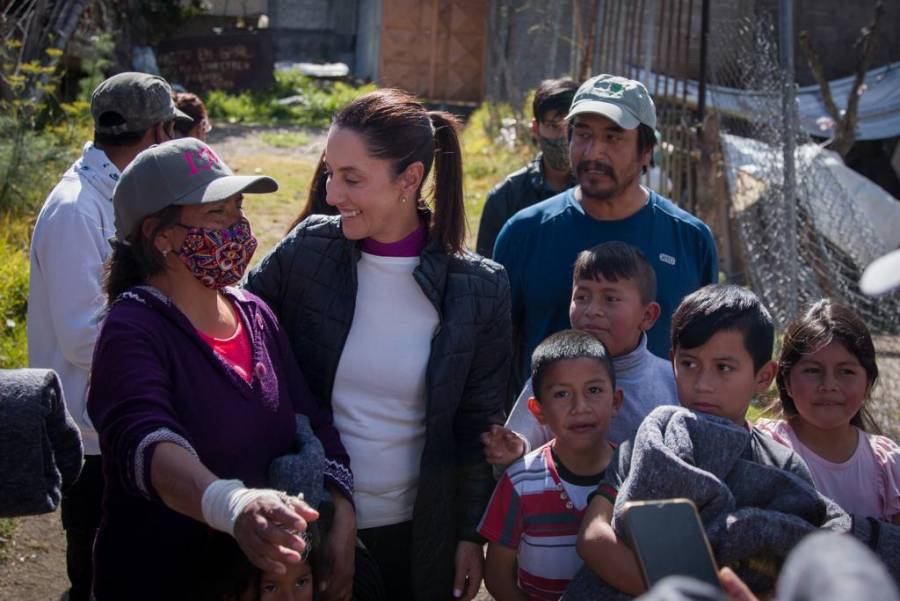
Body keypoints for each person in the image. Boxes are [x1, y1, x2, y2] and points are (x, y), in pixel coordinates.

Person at [245, 88, 510, 601]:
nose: (331, 192)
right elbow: (238, 334)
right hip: (307, 524)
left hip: (417, 535)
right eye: (329, 172)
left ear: (409, 179)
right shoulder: (308, 251)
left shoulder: (479, 287)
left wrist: (467, 536)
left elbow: (477, 422)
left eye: (351, 178)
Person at [86, 137, 353, 600]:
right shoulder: (134, 329)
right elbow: (146, 444)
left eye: (238, 208)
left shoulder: (254, 313)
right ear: (161, 234)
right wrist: (233, 506)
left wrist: (343, 520)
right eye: (218, 214)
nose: (239, 227)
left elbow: (312, 421)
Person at [26, 71, 192, 601]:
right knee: (97, 581)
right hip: (92, 435)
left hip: (119, 421)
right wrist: (175, 351)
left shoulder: (118, 194)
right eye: (171, 131)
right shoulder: (77, 209)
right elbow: (83, 338)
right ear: (157, 134)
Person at [575, 285, 815, 597]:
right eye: (689, 364)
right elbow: (593, 536)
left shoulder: (781, 467)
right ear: (672, 361)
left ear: (763, 376)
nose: (702, 385)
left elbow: (794, 572)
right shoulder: (647, 444)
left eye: (724, 368)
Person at [493, 74, 718, 386]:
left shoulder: (690, 241)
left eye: (613, 138)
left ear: (646, 151)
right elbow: (492, 353)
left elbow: (706, 358)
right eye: (583, 135)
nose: (593, 153)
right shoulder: (525, 233)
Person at [482, 241, 677, 466]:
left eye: (610, 299)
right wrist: (516, 448)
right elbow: (524, 439)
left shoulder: (672, 381)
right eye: (582, 297)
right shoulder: (552, 374)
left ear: (648, 316)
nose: (592, 311)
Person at [479, 330, 621, 600]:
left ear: (616, 401)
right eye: (562, 394)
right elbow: (497, 576)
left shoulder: (633, 473)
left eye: (594, 390)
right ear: (538, 411)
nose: (580, 407)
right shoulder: (519, 481)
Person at [756, 299, 900, 523]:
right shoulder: (765, 448)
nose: (829, 384)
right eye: (813, 371)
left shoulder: (886, 465)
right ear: (787, 381)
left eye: (846, 371)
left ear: (868, 383)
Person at [476, 78, 579, 258]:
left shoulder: (596, 191)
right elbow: (485, 274)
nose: (564, 137)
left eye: (571, 127)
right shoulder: (506, 197)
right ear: (536, 128)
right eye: (553, 126)